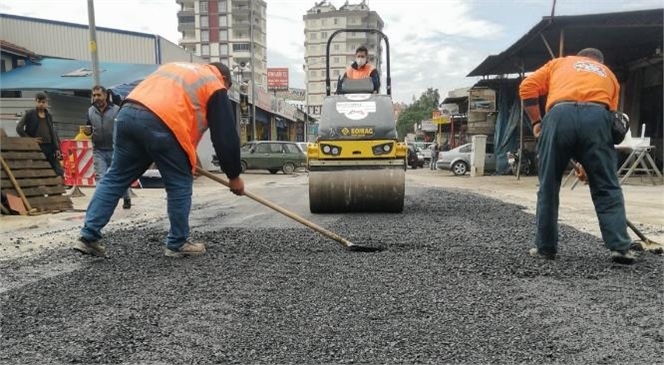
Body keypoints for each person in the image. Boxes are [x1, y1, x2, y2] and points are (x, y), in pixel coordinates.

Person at [73, 62, 245, 258]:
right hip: (163, 123)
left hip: (127, 114)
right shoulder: (214, 84)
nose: (225, 90)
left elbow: (182, 114)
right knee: (179, 182)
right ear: (224, 80)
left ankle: (88, 236)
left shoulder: (176, 68)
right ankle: (177, 242)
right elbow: (225, 135)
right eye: (227, 87)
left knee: (115, 177)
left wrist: (191, 158)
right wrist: (234, 176)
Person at [519, 47, 634, 264]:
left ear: (580, 57)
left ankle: (545, 248)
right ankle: (620, 247)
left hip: (559, 115)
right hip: (598, 117)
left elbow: (527, 87)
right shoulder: (608, 75)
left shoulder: (560, 63)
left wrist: (536, 122)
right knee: (607, 187)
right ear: (599, 61)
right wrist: (590, 165)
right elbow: (610, 118)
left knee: (549, 186)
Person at [84, 85, 132, 209]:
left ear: (105, 95)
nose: (96, 97)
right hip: (98, 149)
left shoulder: (116, 110)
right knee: (101, 176)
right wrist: (88, 131)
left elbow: (123, 126)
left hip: (115, 148)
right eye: (94, 95)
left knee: (120, 175)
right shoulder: (90, 111)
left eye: (98, 95)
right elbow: (88, 127)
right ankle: (101, 203)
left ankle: (126, 197)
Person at [16, 92, 63, 177]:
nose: (41, 104)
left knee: (57, 170)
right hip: (37, 146)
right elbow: (19, 128)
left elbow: (52, 132)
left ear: (46, 103)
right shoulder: (30, 114)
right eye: (39, 101)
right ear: (36, 102)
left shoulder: (49, 116)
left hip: (49, 146)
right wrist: (30, 140)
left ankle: (58, 185)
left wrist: (57, 148)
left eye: (43, 102)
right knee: (38, 169)